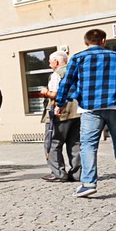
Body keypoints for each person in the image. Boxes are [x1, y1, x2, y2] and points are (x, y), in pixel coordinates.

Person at [55, 29, 116, 197]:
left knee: (88, 146)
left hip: (91, 108)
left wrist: (60, 103)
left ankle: (88, 183)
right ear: (104, 40)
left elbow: (66, 82)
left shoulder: (78, 58)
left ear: (85, 42)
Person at [39, 51, 81, 183]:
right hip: (77, 113)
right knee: (75, 144)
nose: (49, 64)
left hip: (60, 113)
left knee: (53, 143)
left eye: (50, 62)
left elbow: (55, 94)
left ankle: (58, 173)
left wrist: (45, 92)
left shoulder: (57, 74)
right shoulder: (76, 71)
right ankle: (77, 174)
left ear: (56, 62)